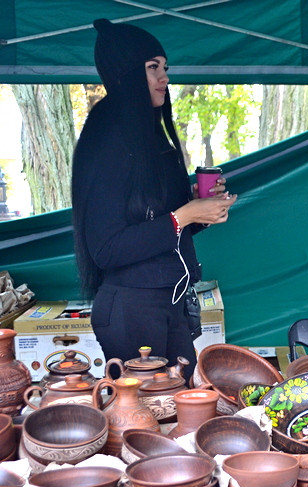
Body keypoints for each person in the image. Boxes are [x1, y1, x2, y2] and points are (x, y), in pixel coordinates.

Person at [71, 19, 237, 380]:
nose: (164, 77)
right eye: (152, 68)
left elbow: (158, 228)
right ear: (127, 73)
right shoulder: (108, 137)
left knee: (189, 406)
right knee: (145, 420)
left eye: (165, 67)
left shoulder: (148, 135)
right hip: (131, 308)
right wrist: (181, 216)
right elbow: (106, 248)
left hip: (169, 300)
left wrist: (198, 211)